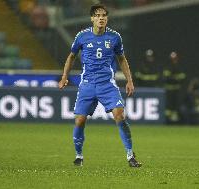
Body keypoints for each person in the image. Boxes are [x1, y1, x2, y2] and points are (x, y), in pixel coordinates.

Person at [58, 4, 142, 167]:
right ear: (92, 19)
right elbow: (71, 57)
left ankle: (130, 156)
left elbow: (122, 59)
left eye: (104, 15)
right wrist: (64, 77)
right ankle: (79, 156)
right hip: (87, 84)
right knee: (80, 121)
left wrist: (130, 80)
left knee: (120, 116)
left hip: (107, 85)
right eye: (97, 15)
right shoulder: (82, 36)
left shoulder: (115, 37)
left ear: (107, 18)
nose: (101, 18)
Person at [162, 51, 186, 123]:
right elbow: (166, 78)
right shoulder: (167, 67)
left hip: (177, 89)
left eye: (175, 59)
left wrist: (172, 77)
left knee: (176, 105)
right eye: (172, 59)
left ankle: (176, 121)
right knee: (168, 106)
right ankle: (167, 120)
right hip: (169, 90)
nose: (174, 60)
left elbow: (183, 78)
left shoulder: (179, 67)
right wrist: (175, 78)